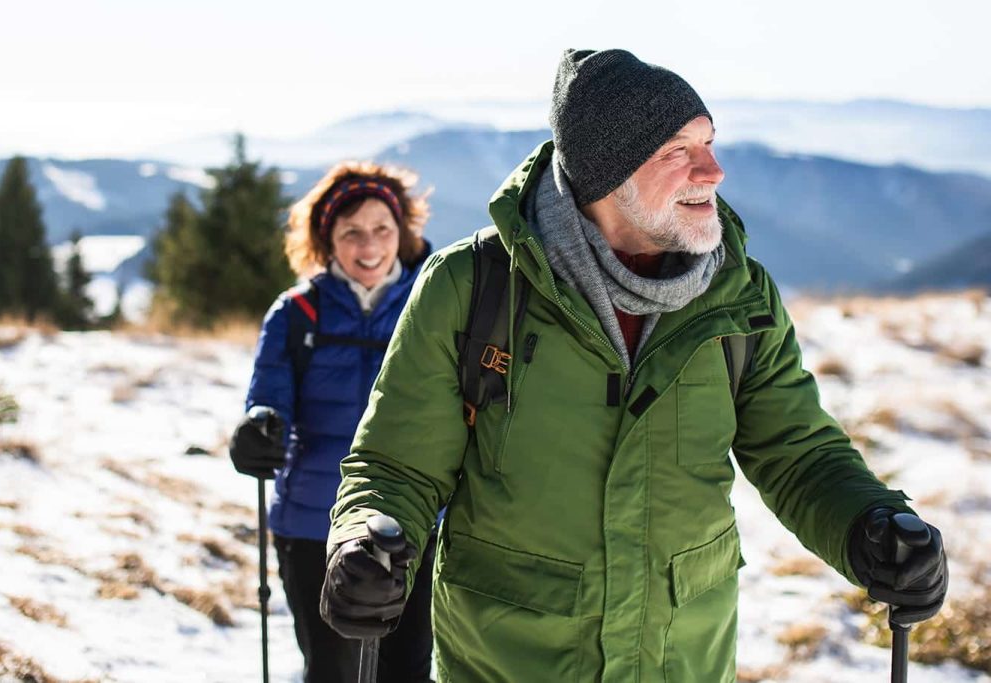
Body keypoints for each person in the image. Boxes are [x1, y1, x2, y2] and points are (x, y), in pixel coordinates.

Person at [319, 50, 949, 682]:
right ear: (606, 176)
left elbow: (799, 455)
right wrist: (364, 541)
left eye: (709, 142)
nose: (714, 170)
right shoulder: (474, 285)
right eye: (679, 150)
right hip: (509, 663)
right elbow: (397, 464)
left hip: (682, 661)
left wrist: (868, 524)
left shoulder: (739, 295)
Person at [229, 160, 436, 683]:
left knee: (405, 670)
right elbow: (268, 399)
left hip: (414, 524)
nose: (369, 247)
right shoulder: (298, 313)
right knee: (331, 670)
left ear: (403, 233)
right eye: (352, 234)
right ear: (327, 240)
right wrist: (259, 429)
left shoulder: (433, 304)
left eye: (381, 230)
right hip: (312, 525)